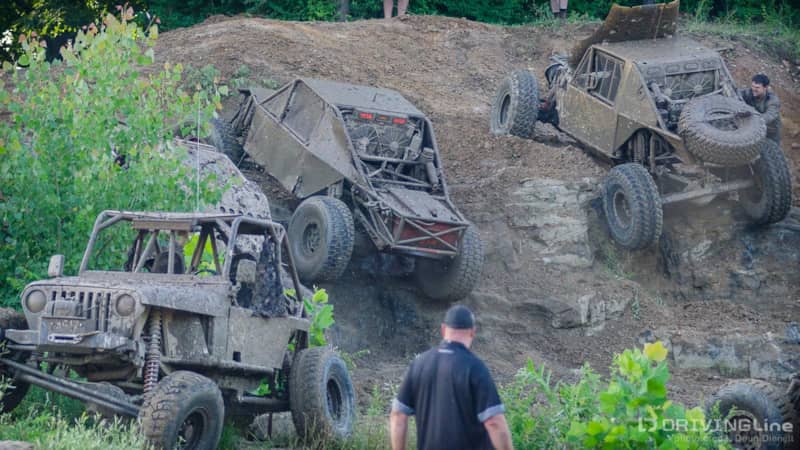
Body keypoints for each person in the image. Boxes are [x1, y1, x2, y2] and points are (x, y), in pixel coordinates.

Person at [389, 305, 514, 450]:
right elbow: (494, 422)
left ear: (443, 330)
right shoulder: (475, 367)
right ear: (473, 332)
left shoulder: (419, 364)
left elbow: (398, 415)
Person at [740, 73, 782, 145]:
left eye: (757, 87)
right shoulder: (749, 92)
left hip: (770, 131)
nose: (754, 89)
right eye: (752, 86)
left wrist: (751, 118)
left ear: (765, 87)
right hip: (755, 126)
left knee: (772, 150)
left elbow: (768, 117)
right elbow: (737, 93)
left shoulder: (773, 101)